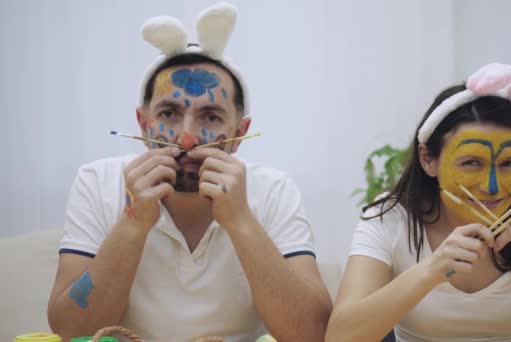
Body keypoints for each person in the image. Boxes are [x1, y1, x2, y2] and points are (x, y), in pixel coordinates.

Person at [47, 3, 332, 341]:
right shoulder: (97, 182)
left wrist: (241, 221)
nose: (187, 138)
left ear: (241, 132)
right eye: (168, 113)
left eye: (210, 117)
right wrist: (133, 223)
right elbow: (70, 331)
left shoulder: (273, 189)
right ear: (143, 122)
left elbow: (312, 334)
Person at [326, 58, 511, 341]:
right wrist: (430, 271)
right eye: (472, 162)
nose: (492, 186)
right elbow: (340, 337)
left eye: (509, 163)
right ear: (428, 160)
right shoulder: (392, 217)